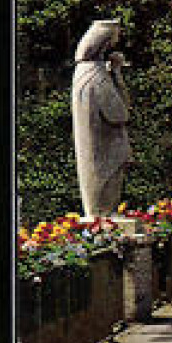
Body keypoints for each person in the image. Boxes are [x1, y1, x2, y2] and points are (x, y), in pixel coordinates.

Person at [72, 19, 131, 219]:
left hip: (103, 150)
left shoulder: (87, 72)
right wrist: (115, 73)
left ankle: (106, 213)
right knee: (105, 200)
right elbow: (120, 114)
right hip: (103, 153)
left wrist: (115, 73)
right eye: (110, 44)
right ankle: (104, 214)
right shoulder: (95, 76)